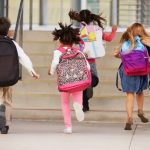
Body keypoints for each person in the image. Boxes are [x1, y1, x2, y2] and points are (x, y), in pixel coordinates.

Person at [69, 9, 117, 112]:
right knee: (94, 79)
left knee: (83, 83)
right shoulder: (96, 30)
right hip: (92, 60)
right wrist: (113, 31)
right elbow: (109, 38)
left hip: (81, 60)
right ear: (91, 17)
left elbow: (73, 42)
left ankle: (85, 106)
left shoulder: (79, 31)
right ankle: (91, 83)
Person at [48, 23, 90, 134]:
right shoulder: (78, 52)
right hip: (78, 81)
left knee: (65, 103)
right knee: (78, 98)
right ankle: (79, 107)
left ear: (60, 40)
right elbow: (88, 67)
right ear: (73, 41)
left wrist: (51, 72)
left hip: (65, 82)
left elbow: (55, 63)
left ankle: (68, 127)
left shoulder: (58, 52)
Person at [0, 17, 40, 134]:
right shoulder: (12, 43)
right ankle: (6, 124)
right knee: (8, 100)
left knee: (0, 99)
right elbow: (23, 58)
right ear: (8, 31)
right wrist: (32, 71)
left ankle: (0, 109)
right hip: (8, 77)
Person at [114, 23, 150, 130]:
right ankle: (140, 110)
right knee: (140, 92)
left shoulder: (125, 43)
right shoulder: (145, 42)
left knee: (130, 94)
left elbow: (117, 54)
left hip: (128, 71)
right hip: (142, 70)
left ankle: (129, 118)